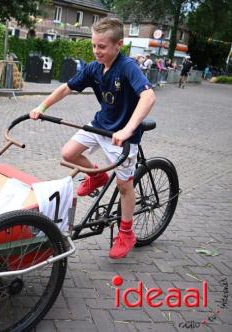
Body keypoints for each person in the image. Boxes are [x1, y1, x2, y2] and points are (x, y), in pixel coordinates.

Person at [29, 17, 156, 259]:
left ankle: (127, 233)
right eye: (94, 46)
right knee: (68, 153)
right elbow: (66, 87)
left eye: (102, 46)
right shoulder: (93, 68)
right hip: (100, 126)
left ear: (118, 45)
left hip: (122, 136)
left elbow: (148, 97)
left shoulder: (127, 66)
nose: (96, 51)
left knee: (124, 185)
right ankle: (97, 175)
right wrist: (41, 107)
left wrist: (127, 130)